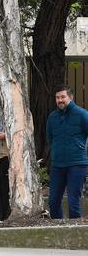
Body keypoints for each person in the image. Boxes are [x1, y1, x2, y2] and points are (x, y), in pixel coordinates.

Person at [46, 85, 88, 219]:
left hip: (77, 164)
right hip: (57, 165)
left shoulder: (82, 114)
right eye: (57, 97)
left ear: (70, 97)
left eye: (63, 97)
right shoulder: (52, 117)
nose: (60, 100)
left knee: (73, 203)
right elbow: (50, 138)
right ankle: (58, 230)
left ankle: (75, 235)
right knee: (53, 202)